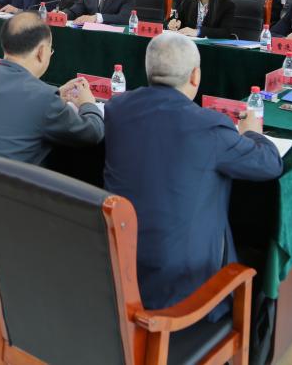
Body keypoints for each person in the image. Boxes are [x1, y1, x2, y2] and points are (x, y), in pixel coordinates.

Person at [104, 32, 281, 315]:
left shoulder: (117, 109)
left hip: (118, 261)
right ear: (195, 76)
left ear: (148, 70)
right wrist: (252, 133)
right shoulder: (209, 126)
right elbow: (270, 164)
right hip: (184, 287)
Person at [0, 12, 104, 215]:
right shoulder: (43, 97)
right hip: (5, 216)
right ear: (41, 52)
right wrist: (88, 104)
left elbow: (12, 104)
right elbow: (92, 133)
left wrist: (56, 96)